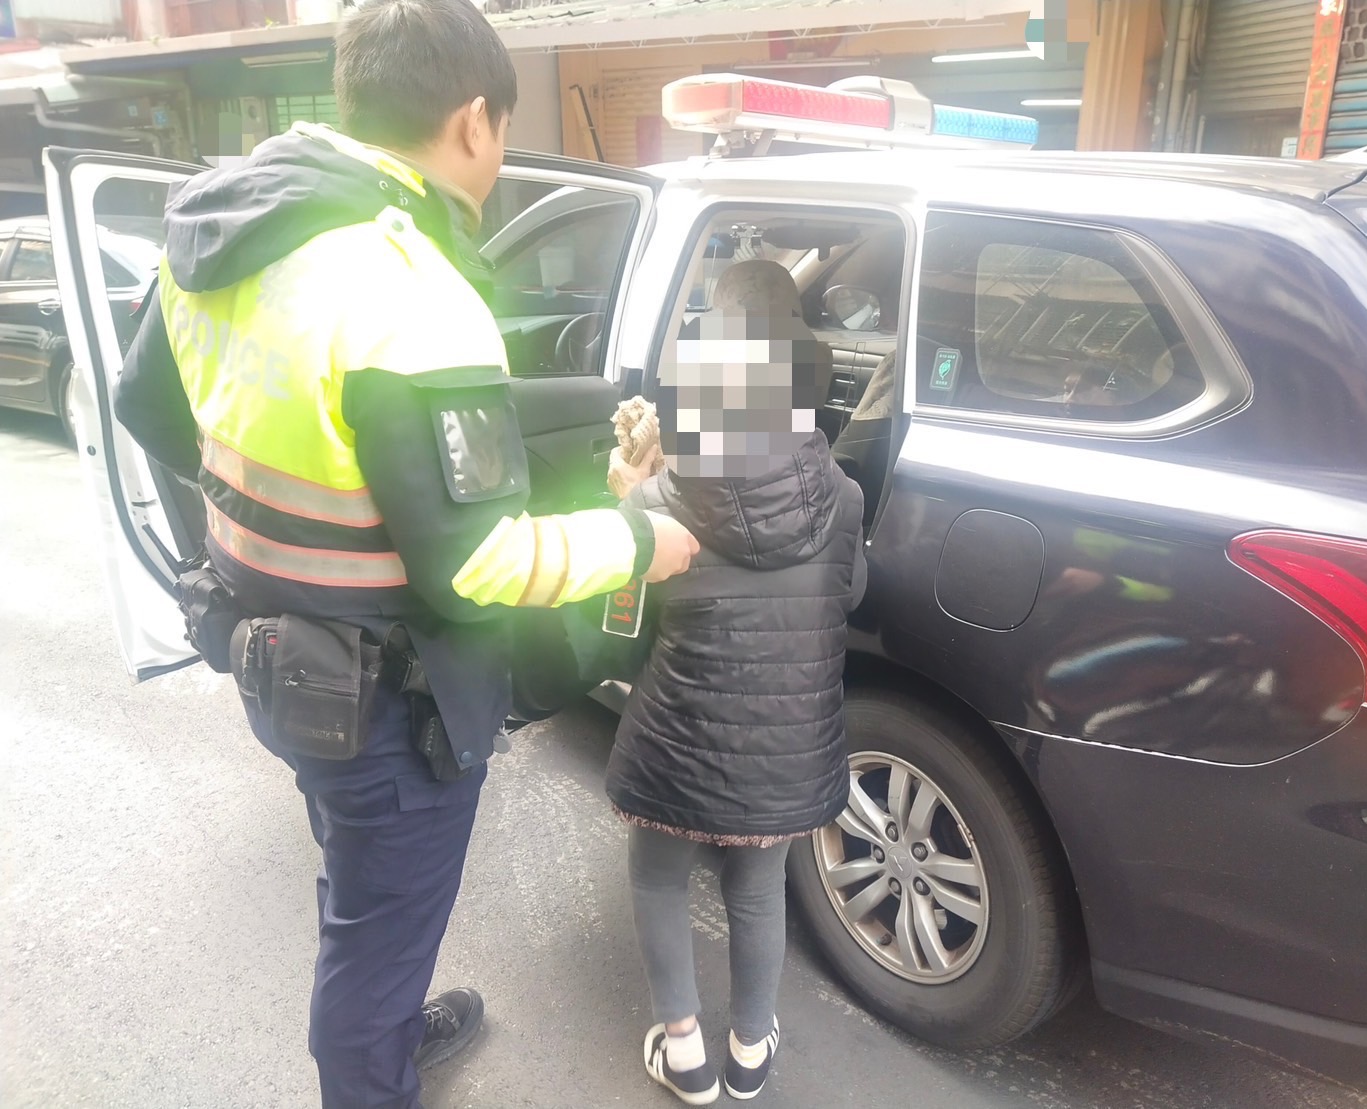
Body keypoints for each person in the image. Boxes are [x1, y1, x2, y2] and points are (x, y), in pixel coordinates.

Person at [112, 1, 698, 1105]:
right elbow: (475, 566)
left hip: (274, 655)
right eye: (503, 133)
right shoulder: (408, 292)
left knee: (362, 885)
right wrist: (639, 538)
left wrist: (268, 525)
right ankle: (371, 1059)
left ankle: (381, 1025)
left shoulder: (223, 234)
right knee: (376, 926)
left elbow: (144, 404)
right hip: (385, 703)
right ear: (474, 120)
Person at [605, 259, 867, 1104]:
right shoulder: (843, 493)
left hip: (678, 735)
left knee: (657, 875)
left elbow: (620, 616)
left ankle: (684, 1053)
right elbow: (848, 594)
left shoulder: (662, 494)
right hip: (788, 739)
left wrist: (627, 499)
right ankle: (751, 1050)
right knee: (757, 889)